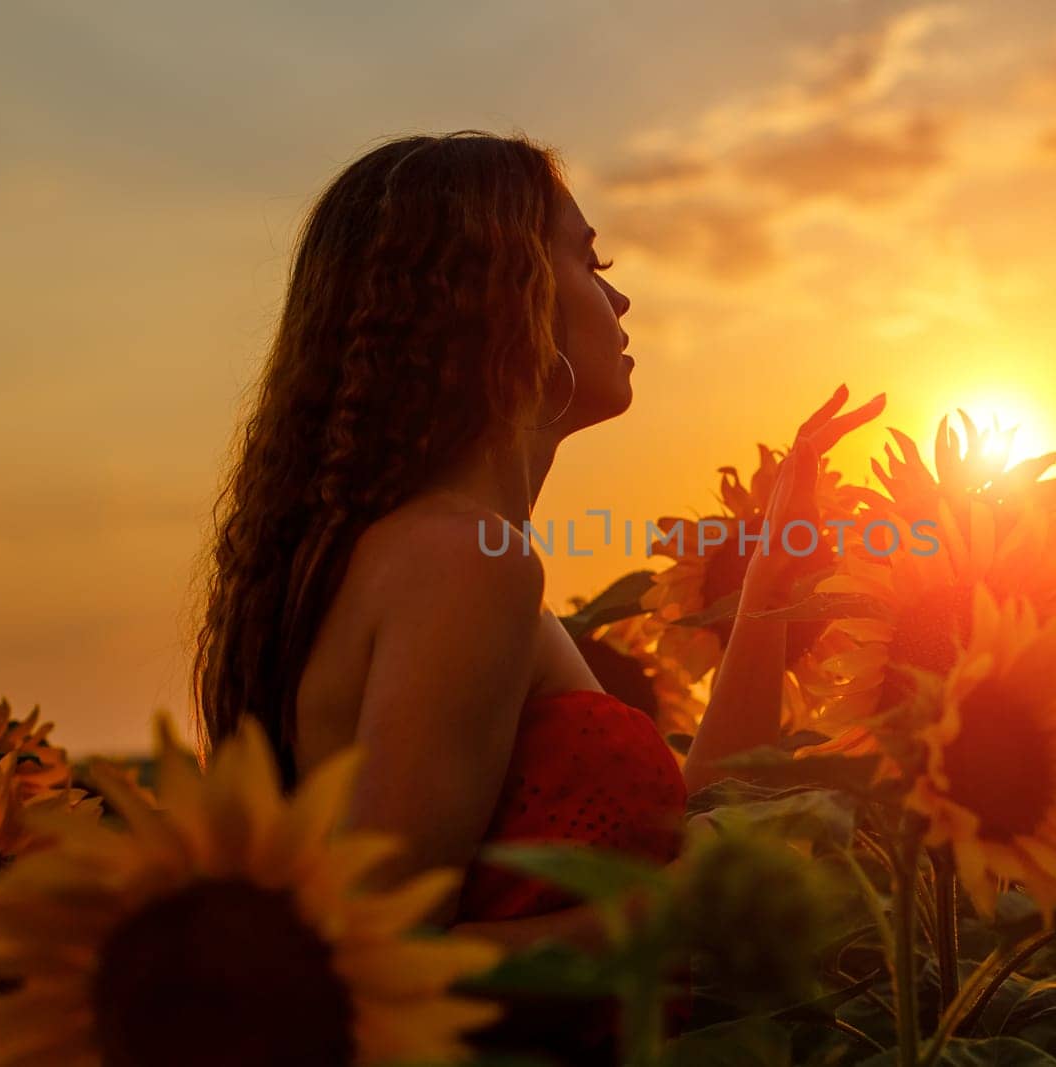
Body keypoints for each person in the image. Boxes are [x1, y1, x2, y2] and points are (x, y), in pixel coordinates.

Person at [189, 130, 883, 1058]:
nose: (621, 296)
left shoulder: (438, 555)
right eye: (590, 261)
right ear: (505, 292)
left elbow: (685, 819)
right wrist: (679, 914)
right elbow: (376, 965)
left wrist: (769, 573)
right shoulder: (462, 564)